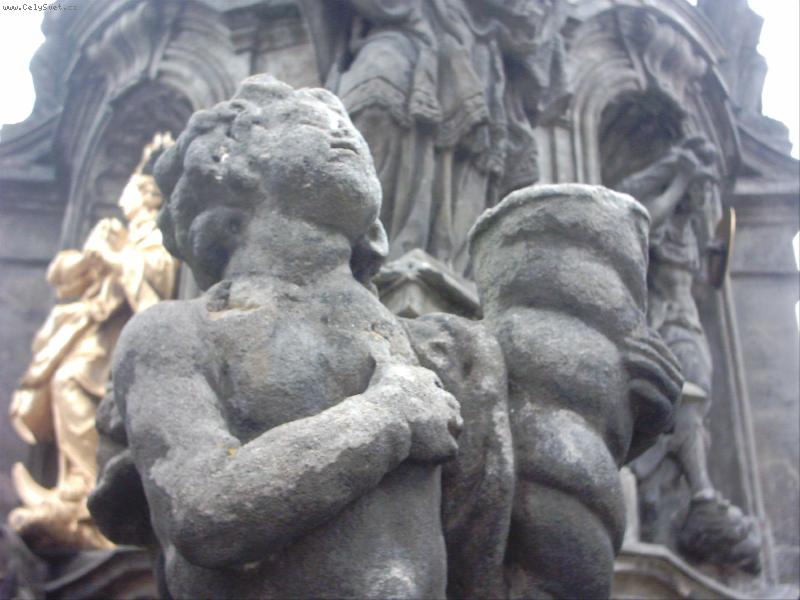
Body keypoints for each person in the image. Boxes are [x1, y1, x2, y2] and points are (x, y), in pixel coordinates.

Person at [89, 76, 462, 599]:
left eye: (349, 126)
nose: (347, 135)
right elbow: (204, 512)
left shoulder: (437, 349)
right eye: (312, 121)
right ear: (230, 161)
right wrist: (388, 418)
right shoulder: (175, 332)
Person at [301, 0, 568, 274]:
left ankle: (435, 262)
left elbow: (532, 21)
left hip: (472, 40)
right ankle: (361, 256)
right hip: (393, 27)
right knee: (372, 111)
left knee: (462, 150)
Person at [8, 135, 177, 549]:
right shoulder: (119, 233)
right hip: (93, 332)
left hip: (122, 338)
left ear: (146, 196)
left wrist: (117, 260)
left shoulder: (156, 233)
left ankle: (89, 492)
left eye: (131, 191)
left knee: (70, 382)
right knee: (62, 382)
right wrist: (92, 258)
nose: (124, 198)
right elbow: (64, 278)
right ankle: (76, 486)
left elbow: (158, 277)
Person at [617, 135, 761, 572]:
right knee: (684, 405)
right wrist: (679, 176)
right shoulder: (656, 220)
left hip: (692, 329)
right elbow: (635, 217)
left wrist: (700, 192)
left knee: (693, 411)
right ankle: (699, 494)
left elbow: (715, 257)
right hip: (665, 325)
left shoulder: (692, 234)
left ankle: (679, 495)